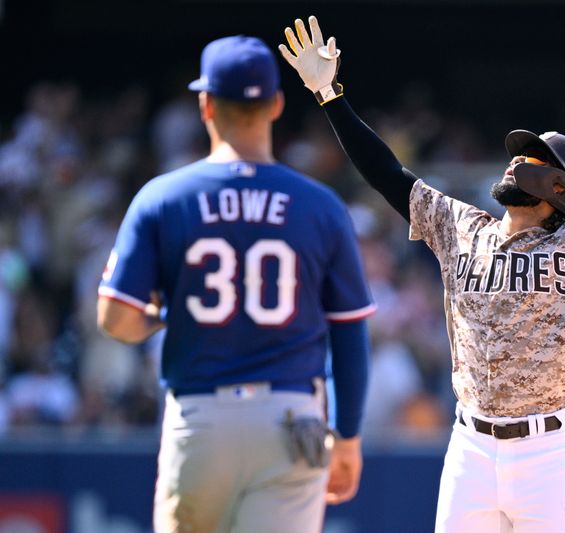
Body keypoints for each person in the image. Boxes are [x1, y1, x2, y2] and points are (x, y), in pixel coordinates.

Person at [280, 17, 565, 532]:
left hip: (546, 453)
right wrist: (327, 93)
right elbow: (386, 173)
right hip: (470, 447)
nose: (514, 161)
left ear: (561, 189)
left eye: (532, 157)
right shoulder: (460, 226)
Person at [97, 35, 375, 533]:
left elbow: (114, 318)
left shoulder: (164, 197)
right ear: (275, 103)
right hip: (292, 421)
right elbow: (349, 331)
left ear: (205, 105)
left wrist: (168, 314)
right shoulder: (321, 205)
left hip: (201, 416)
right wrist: (348, 436)